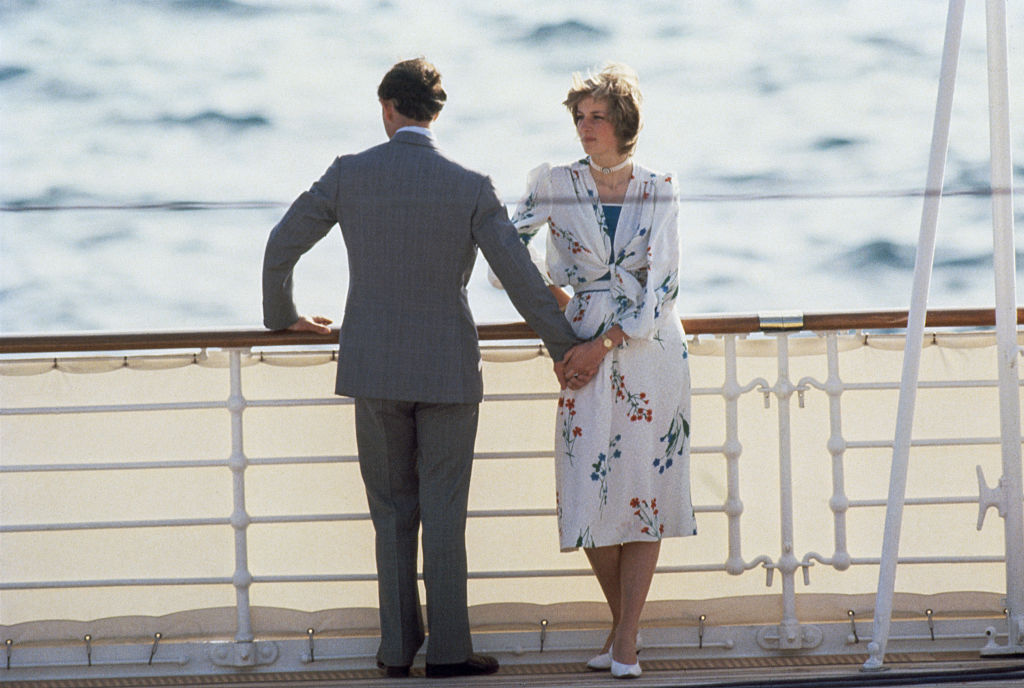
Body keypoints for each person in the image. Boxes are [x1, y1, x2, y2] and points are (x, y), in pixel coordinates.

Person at [261, 57, 581, 679]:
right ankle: (450, 652)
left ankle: (394, 650)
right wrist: (566, 349)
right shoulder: (469, 185)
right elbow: (521, 280)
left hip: (374, 367)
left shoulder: (349, 174)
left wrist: (283, 318)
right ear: (437, 113)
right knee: (444, 512)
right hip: (448, 373)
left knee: (391, 512)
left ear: (387, 108)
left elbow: (281, 245)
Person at [508, 63, 696, 679]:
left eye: (597, 117)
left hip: (650, 355)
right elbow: (508, 254)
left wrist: (607, 338)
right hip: (582, 348)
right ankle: (626, 635)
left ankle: (626, 644)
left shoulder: (660, 187)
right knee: (587, 491)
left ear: (624, 123)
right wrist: (565, 312)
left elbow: (664, 285)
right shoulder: (554, 181)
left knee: (645, 490)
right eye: (579, 117)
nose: (585, 127)